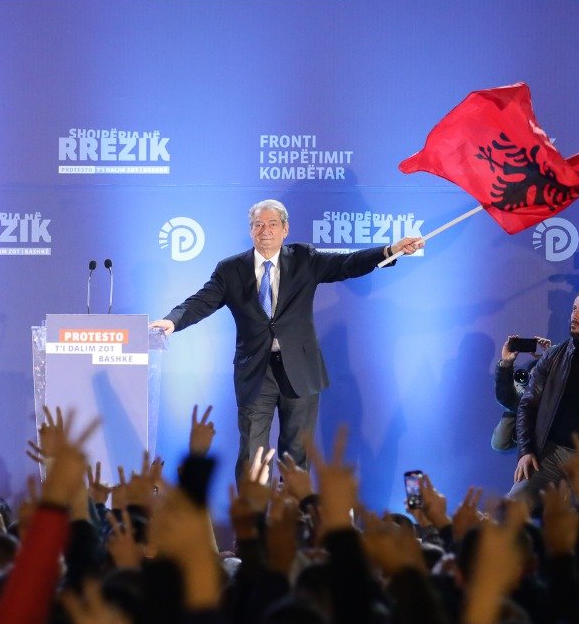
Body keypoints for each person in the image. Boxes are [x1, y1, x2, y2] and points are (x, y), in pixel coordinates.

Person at [149, 199, 423, 472]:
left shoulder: (305, 259)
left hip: (300, 370)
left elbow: (347, 263)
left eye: (272, 224)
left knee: (296, 456)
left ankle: (293, 502)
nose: (265, 230)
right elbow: (201, 301)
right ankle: (253, 502)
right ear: (251, 230)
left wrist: (390, 251)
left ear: (285, 229)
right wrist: (173, 321)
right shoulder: (230, 269)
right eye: (258, 225)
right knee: (252, 455)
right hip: (255, 372)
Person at [509, 290, 579, 505]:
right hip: (549, 456)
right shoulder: (553, 355)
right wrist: (526, 451)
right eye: (574, 308)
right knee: (509, 509)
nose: (574, 315)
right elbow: (527, 405)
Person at [491, 335, 550, 452]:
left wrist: (552, 357)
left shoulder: (557, 395)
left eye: (539, 376)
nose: (535, 381)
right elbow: (499, 443)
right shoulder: (526, 400)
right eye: (532, 377)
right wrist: (506, 364)